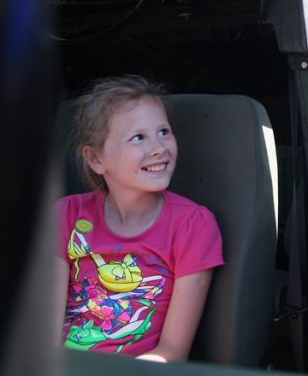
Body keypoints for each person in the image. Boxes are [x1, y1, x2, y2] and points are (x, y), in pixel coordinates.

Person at [55, 75, 224, 362]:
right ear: (96, 160)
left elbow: (172, 352)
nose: (159, 147)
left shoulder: (192, 225)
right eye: (138, 137)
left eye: (163, 132)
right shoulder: (67, 215)